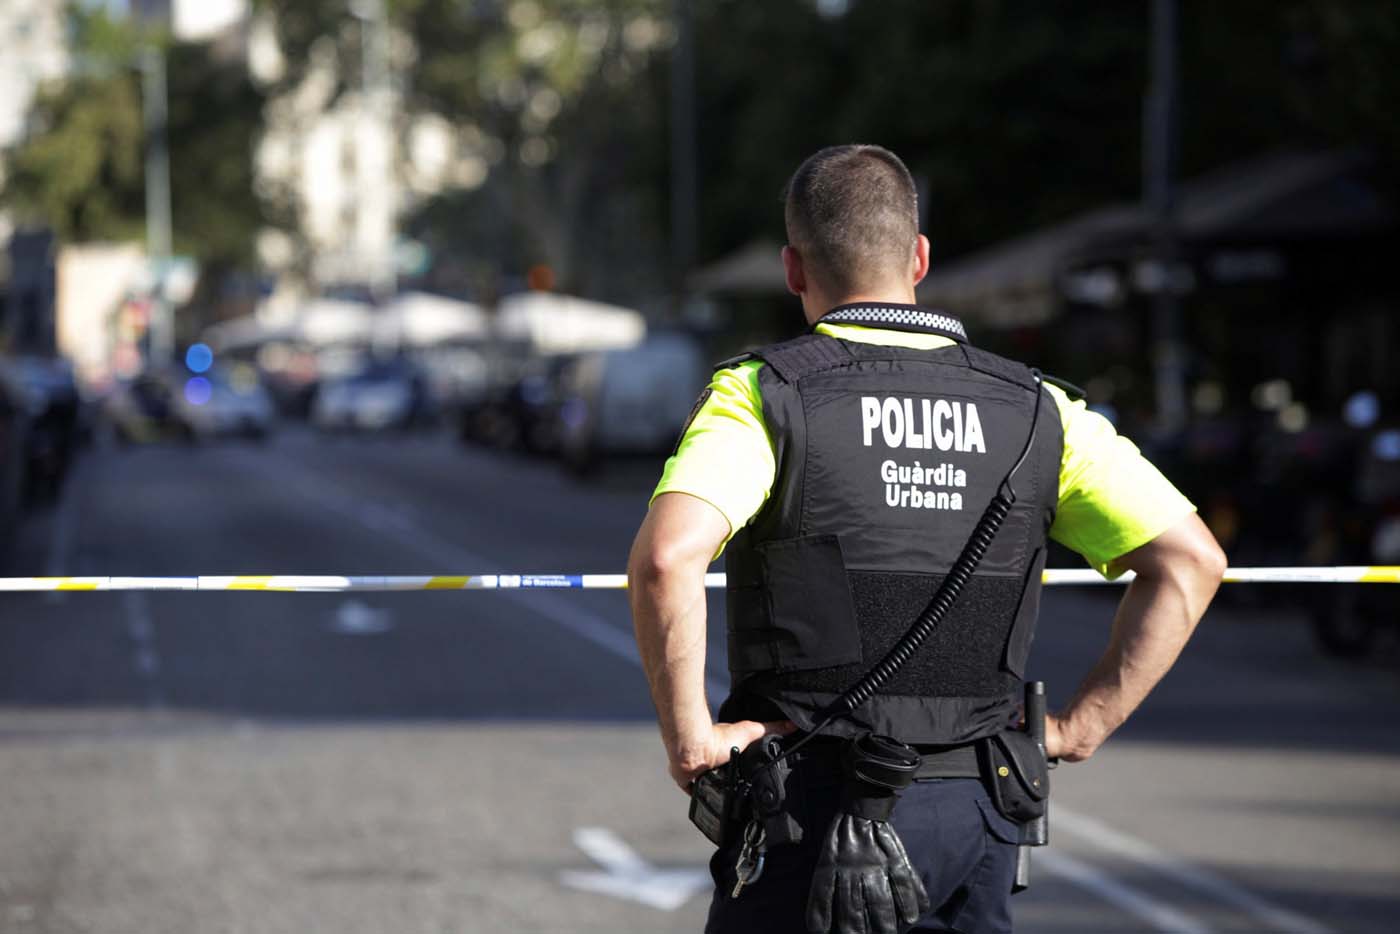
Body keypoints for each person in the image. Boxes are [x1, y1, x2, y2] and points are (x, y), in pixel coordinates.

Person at [627, 144, 1226, 933]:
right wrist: (1082, 727)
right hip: (977, 810)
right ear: (919, 257)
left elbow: (668, 557)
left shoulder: (767, 396)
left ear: (793, 269)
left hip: (810, 807)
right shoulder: (1041, 410)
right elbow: (1191, 560)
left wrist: (690, 740)